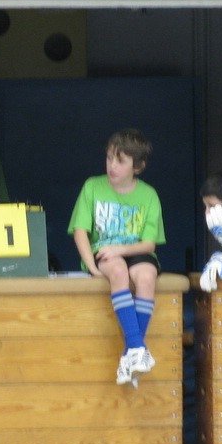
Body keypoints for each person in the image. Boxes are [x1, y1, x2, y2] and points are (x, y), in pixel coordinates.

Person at [68, 129, 166, 388]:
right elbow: (80, 231)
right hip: (103, 253)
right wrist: (92, 267)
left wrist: (120, 249)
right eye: (109, 158)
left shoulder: (149, 195)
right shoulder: (92, 186)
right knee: (119, 270)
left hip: (133, 251)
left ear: (138, 166)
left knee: (147, 276)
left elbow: (149, 244)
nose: (112, 165)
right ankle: (136, 346)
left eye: (120, 161)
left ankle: (131, 354)